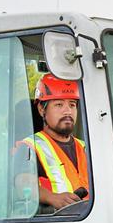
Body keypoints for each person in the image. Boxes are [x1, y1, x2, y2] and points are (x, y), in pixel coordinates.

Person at [28, 74, 91, 213]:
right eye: (59, 104)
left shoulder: (87, 148)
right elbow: (22, 184)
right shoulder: (30, 147)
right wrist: (52, 198)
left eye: (72, 105)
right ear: (41, 109)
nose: (67, 110)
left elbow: (111, 187)